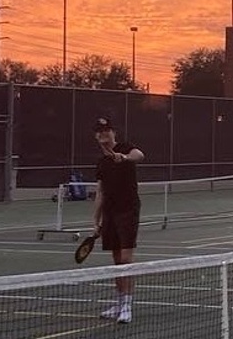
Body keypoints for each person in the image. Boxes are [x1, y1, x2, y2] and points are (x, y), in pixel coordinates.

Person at [92, 117, 145, 324]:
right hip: (110, 214)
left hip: (128, 210)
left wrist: (123, 157)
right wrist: (95, 221)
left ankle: (127, 306)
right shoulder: (101, 162)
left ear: (114, 133)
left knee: (125, 260)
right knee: (116, 263)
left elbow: (139, 155)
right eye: (99, 132)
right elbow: (100, 192)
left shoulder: (126, 148)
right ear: (96, 136)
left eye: (107, 131)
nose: (103, 134)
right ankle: (119, 302)